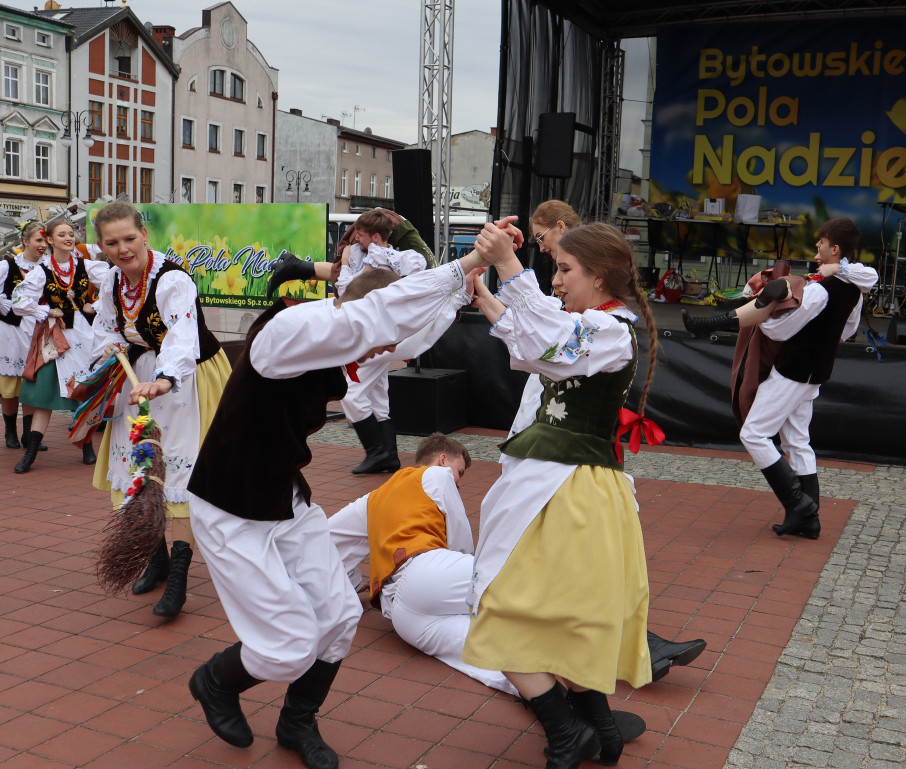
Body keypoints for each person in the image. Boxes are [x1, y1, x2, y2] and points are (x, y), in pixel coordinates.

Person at [184, 237, 501, 769]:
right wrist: (467, 262)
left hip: (283, 501)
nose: (383, 356)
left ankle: (296, 721)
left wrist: (457, 295)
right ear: (358, 316)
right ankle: (214, 680)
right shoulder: (285, 333)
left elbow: (393, 331)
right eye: (379, 342)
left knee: (338, 615)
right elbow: (376, 319)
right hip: (231, 508)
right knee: (286, 646)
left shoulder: (341, 336)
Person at [461, 219, 659, 769]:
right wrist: (485, 295)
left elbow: (548, 341)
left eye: (565, 269)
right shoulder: (594, 326)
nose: (556, 281)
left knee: (498, 606)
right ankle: (596, 727)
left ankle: (564, 729)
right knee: (552, 616)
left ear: (599, 276)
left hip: (567, 486)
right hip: (557, 481)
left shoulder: (611, 330)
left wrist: (508, 266)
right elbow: (535, 348)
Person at [329, 433, 705, 699]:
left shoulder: (372, 499)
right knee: (537, 583)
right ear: (443, 459)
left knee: (489, 654)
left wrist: (353, 584)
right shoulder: (434, 474)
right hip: (426, 573)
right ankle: (643, 645)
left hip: (400, 617)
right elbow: (461, 538)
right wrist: (478, 566)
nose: (458, 484)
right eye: (461, 474)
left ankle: (559, 704)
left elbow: (330, 540)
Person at [682, 218, 878, 539]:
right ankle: (808, 520)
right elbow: (849, 330)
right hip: (816, 371)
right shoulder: (853, 288)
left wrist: (766, 318)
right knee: (797, 441)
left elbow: (782, 330)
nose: (817, 246)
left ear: (835, 248)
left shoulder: (818, 290)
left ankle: (798, 503)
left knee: (755, 434)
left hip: (794, 369)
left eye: (822, 241)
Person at [87, 201, 232, 617]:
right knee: (139, 464)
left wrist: (166, 378)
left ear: (144, 235)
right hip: (140, 375)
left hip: (187, 378)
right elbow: (108, 327)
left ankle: (181, 578)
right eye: (112, 242)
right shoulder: (113, 281)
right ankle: (157, 560)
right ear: (102, 245)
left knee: (180, 472)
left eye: (129, 239)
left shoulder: (173, 280)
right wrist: (112, 348)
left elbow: (182, 338)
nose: (123, 249)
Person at [265, 209, 431, 475]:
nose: (356, 241)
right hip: (378, 332)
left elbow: (357, 289)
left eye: (361, 236)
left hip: (376, 334)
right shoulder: (367, 254)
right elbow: (347, 287)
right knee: (376, 389)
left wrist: (369, 259)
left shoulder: (393, 257)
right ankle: (387, 454)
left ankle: (377, 451)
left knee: (351, 390)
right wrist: (351, 260)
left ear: (375, 236)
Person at [11, 218, 107, 472]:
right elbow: (19, 301)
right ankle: (30, 453)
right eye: (62, 234)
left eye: (71, 232)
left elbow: (114, 284)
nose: (69, 237)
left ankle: (86, 446)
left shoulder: (86, 266)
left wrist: (94, 306)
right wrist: (44, 310)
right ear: (50, 240)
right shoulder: (42, 271)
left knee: (84, 393)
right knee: (44, 397)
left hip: (85, 338)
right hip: (55, 340)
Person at [1, 221, 49, 451]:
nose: (42, 245)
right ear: (25, 241)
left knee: (32, 384)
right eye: (38, 240)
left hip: (37, 332)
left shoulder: (48, 269)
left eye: (44, 241)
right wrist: (7, 307)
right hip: (11, 333)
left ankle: (29, 436)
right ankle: (10, 430)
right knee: (10, 388)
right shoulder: (7, 266)